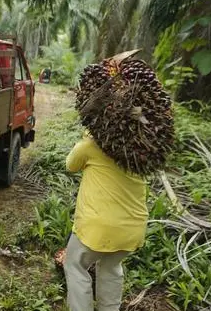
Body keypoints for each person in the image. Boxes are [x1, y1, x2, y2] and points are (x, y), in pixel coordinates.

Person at [63, 131, 148, 311]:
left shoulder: (92, 146)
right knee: (111, 267)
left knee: (75, 265)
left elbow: (70, 165)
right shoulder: (141, 151)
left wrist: (88, 137)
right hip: (132, 228)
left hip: (98, 227)